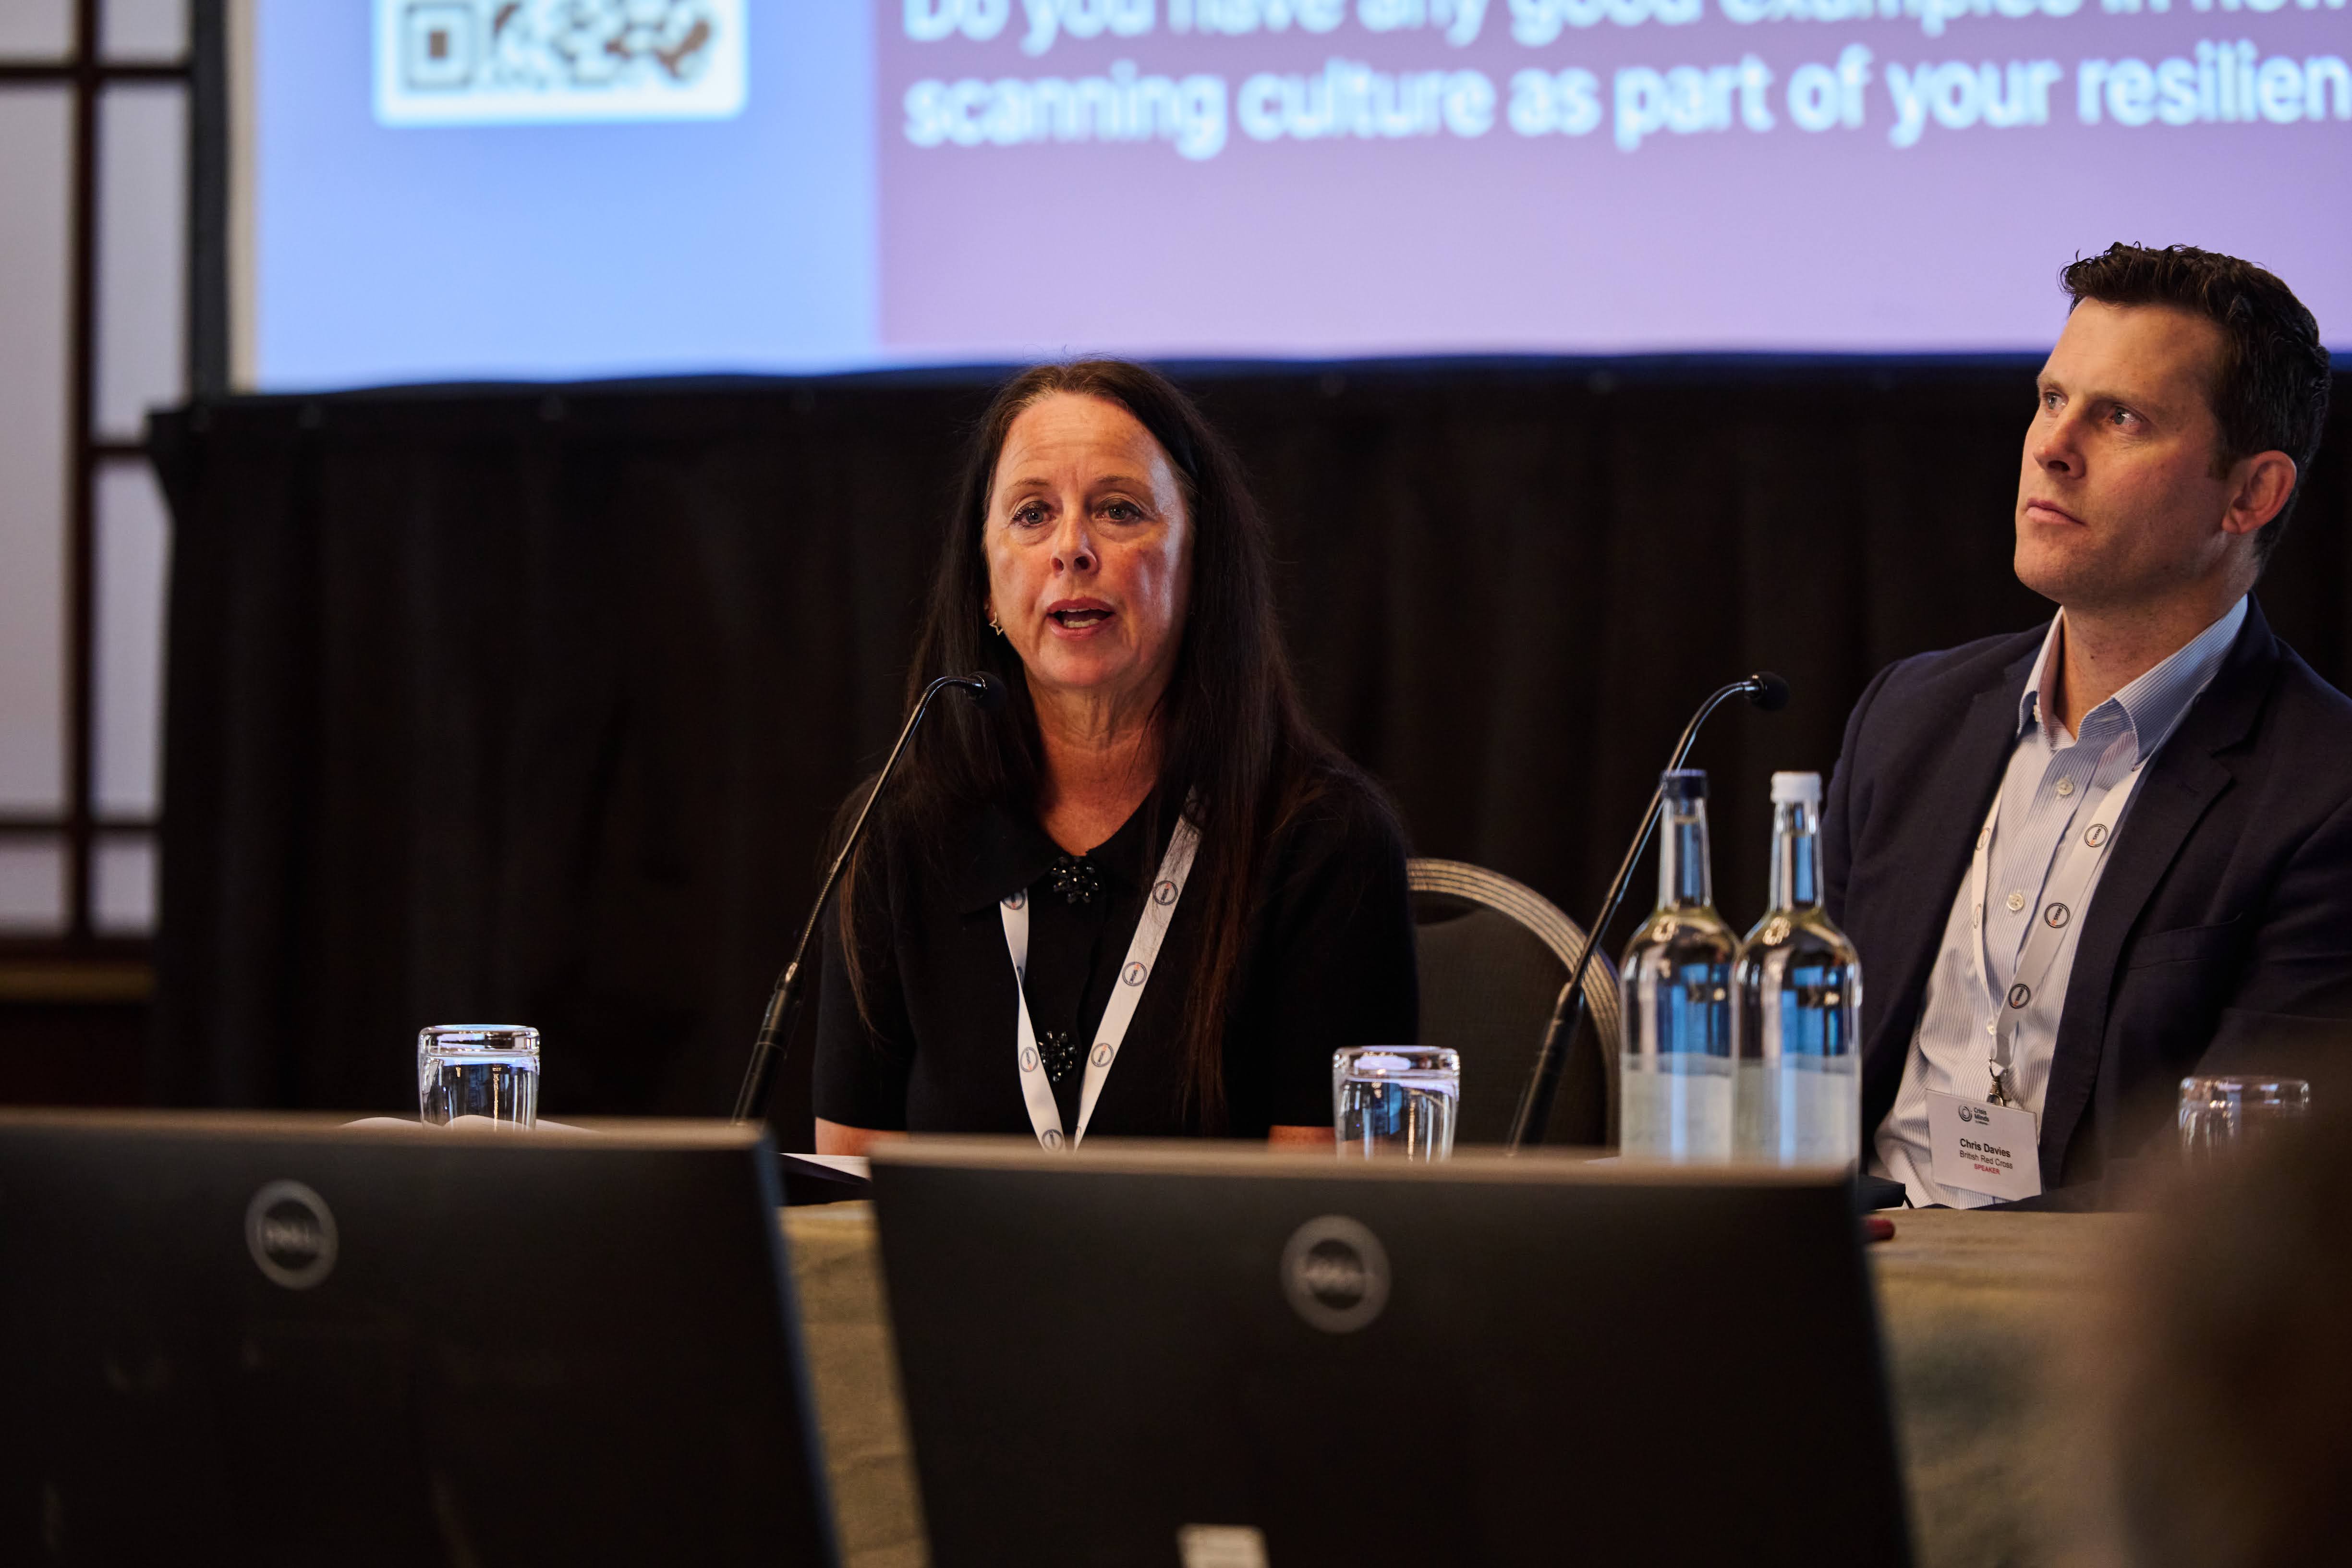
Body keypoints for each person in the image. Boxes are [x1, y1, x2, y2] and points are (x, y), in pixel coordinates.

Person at [1822, 243, 2352, 1207]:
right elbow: (1803, 1076)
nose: (2050, 447)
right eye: (2051, 398)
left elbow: (2236, 1194)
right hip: (1852, 1272)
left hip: (2097, 1295)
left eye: (2120, 418)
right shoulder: (1908, 716)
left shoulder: (2325, 792)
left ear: (2250, 494)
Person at [811, 360, 1416, 1153]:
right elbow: (847, 1196)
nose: (1071, 548)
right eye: (1032, 514)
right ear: (985, 585)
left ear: (1200, 563)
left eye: (1119, 510)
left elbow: (1321, 1212)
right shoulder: (897, 836)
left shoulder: (1322, 842)